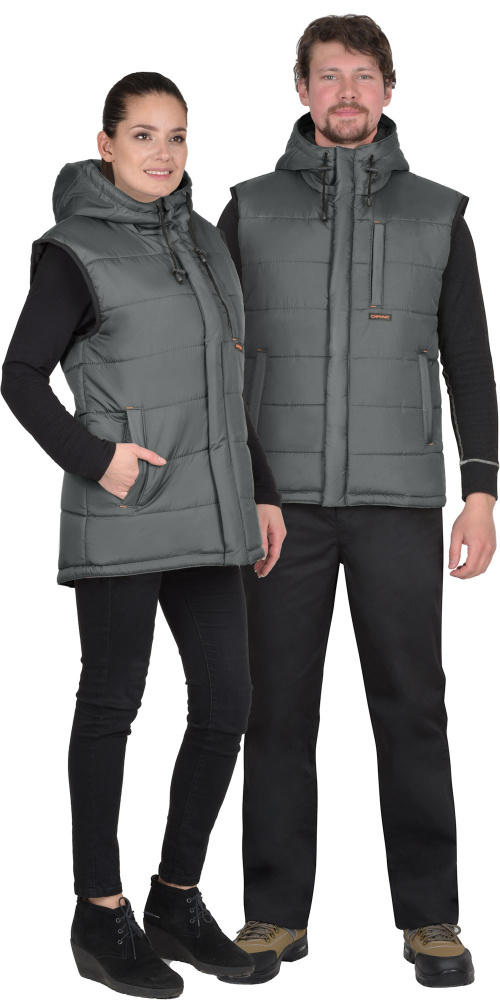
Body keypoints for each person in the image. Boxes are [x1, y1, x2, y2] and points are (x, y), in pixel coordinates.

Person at [216, 14, 498, 990]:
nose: (346, 91)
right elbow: (218, 361)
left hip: (398, 502)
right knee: (273, 712)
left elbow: (469, 361)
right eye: (328, 75)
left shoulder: (437, 214)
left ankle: (430, 918)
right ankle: (272, 915)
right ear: (300, 89)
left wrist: (479, 491)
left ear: (387, 89)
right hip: (276, 509)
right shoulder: (248, 210)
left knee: (412, 709)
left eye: (363, 75)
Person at [1, 71, 286, 998]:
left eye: (176, 136)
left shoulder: (205, 243)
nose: (162, 153)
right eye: (142, 135)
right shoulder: (74, 251)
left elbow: (227, 388)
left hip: (212, 512)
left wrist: (264, 492)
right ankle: (99, 913)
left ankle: (175, 899)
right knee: (112, 705)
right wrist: (96, 460)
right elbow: (18, 374)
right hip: (124, 511)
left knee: (228, 703)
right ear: (106, 144)